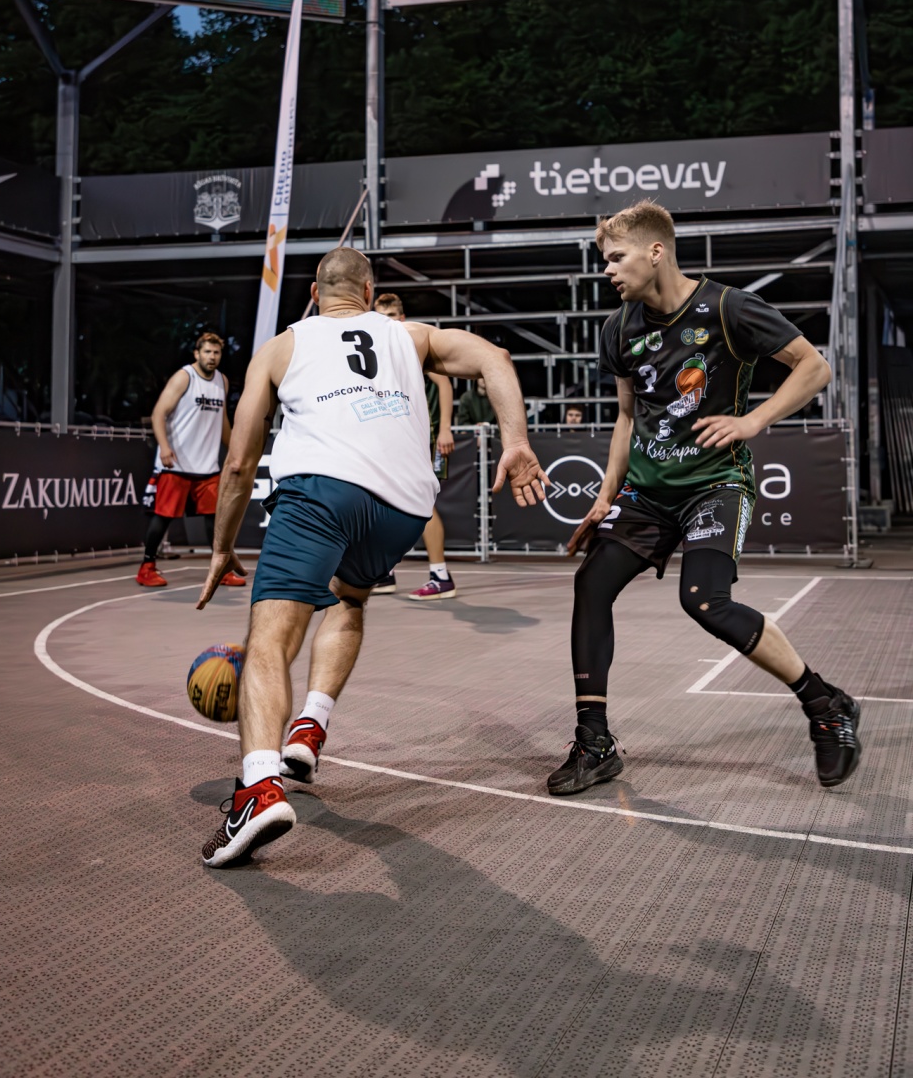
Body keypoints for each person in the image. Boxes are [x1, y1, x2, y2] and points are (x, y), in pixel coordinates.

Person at [195, 246, 547, 867]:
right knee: (349, 598)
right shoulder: (408, 334)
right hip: (402, 507)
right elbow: (495, 357)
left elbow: (240, 463)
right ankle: (310, 725)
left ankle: (257, 791)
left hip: (321, 491)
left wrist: (222, 546)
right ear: (367, 289)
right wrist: (515, 441)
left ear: (313, 293)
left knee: (271, 638)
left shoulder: (281, 348)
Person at [547, 199, 860, 797]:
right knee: (592, 583)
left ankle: (825, 705)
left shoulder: (727, 307)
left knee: (706, 602)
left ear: (655, 251)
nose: (606, 270)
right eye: (604, 260)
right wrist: (605, 496)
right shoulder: (618, 328)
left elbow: (813, 367)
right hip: (647, 492)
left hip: (715, 483)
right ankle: (595, 743)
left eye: (615, 258)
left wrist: (753, 420)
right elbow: (625, 417)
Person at [135, 332, 245, 590]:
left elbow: (222, 420)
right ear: (197, 353)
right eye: (207, 352)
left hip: (207, 466)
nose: (212, 357)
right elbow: (158, 413)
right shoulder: (185, 377)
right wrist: (164, 447)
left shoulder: (222, 381)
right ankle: (147, 567)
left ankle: (221, 568)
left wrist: (236, 451)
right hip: (177, 463)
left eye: (216, 352)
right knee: (163, 517)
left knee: (216, 520)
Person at [372, 291, 458, 600]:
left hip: (425, 436)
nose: (388, 321)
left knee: (422, 503)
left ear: (402, 317)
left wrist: (445, 428)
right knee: (386, 501)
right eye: (382, 317)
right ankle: (384, 573)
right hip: (397, 438)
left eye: (392, 316)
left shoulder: (412, 344)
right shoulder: (378, 351)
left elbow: (444, 384)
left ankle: (440, 576)